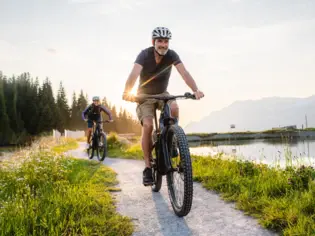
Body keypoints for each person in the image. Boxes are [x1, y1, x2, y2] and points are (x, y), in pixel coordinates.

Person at [122, 26, 205, 186]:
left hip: (162, 93)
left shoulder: (172, 55)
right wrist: (127, 92)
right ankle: (147, 167)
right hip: (144, 96)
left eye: (166, 41)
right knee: (147, 126)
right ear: (154, 42)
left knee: (174, 108)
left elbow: (185, 73)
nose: (163, 45)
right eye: (160, 41)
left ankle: (171, 138)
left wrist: (195, 90)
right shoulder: (144, 55)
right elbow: (133, 74)